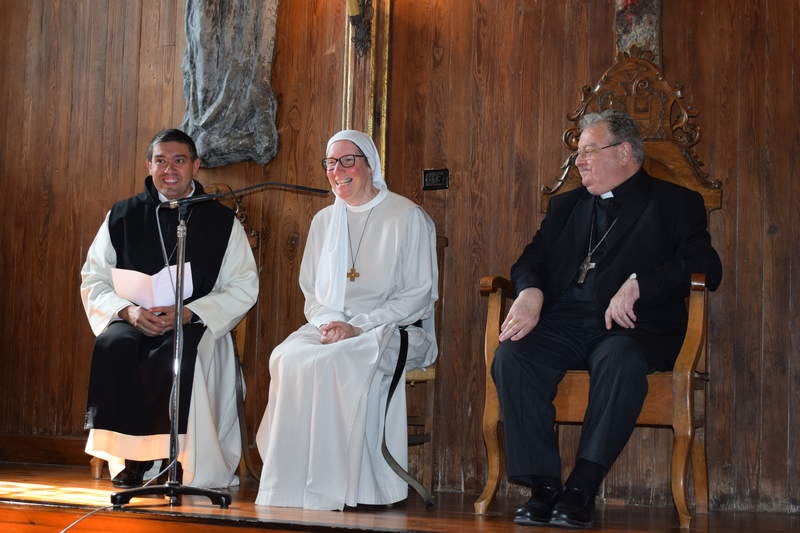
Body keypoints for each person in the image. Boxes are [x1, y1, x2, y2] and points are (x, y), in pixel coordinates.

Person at [492, 110, 722, 528]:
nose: (578, 162)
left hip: (631, 328)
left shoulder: (674, 202)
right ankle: (544, 486)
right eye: (576, 153)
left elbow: (706, 265)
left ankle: (581, 486)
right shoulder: (566, 207)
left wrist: (640, 284)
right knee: (514, 355)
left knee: (619, 359)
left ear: (624, 152)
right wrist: (530, 290)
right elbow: (532, 259)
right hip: (565, 324)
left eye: (587, 152)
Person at [254, 130, 438, 510]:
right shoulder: (324, 222)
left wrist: (359, 326)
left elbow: (418, 295)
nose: (337, 170)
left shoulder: (407, 217)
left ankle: (352, 487)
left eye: (347, 160)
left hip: (395, 328)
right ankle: (291, 484)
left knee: (336, 361)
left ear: (370, 164)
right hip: (333, 326)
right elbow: (313, 294)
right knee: (286, 358)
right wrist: (330, 323)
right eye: (330, 163)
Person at [81, 128, 258, 489]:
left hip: (196, 321)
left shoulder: (222, 222)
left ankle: (178, 459)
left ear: (196, 165)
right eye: (160, 161)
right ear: (149, 165)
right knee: (116, 345)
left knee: (179, 352)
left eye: (179, 160)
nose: (169, 169)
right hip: (135, 317)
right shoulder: (122, 215)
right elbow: (94, 278)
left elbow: (243, 285)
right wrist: (127, 312)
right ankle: (132, 459)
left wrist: (190, 313)